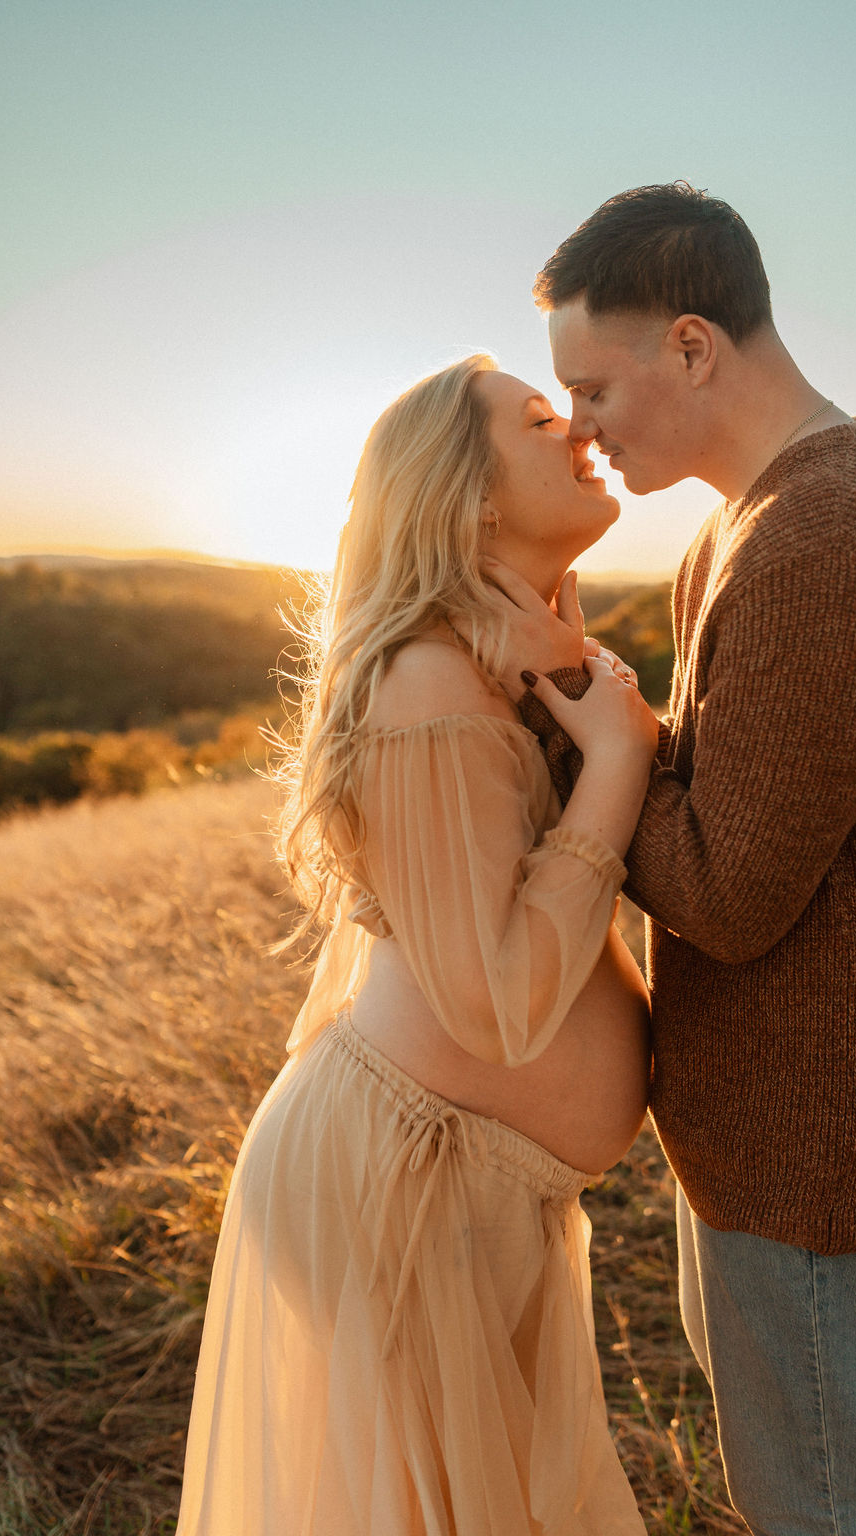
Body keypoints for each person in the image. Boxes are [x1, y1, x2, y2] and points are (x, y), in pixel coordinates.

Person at [481, 183, 856, 1535]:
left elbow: (729, 895)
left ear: (691, 347)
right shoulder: (756, 518)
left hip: (816, 1152)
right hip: (771, 1132)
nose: (578, 426)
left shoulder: (836, 542)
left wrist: (608, 755)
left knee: (820, 1504)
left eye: (594, 385)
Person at [175, 354, 659, 1535]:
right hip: (405, 1193)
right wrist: (619, 761)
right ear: (471, 494)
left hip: (456, 1191)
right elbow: (497, 1001)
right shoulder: (432, 684)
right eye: (544, 421)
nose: (581, 430)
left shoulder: (495, 663)